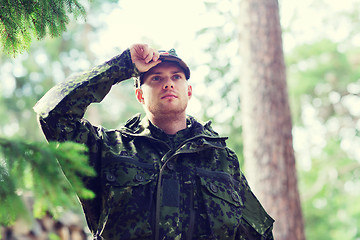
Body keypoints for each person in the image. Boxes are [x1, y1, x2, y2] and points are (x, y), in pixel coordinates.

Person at [34, 43, 274, 240]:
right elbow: (52, 114)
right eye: (156, 78)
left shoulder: (221, 159)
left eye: (176, 77)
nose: (168, 83)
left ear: (188, 91)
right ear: (140, 95)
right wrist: (122, 66)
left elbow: (259, 233)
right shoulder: (107, 149)